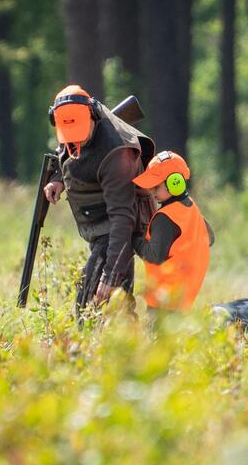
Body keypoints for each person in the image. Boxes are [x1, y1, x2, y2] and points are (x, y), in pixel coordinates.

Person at [43, 84, 155, 316]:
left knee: (90, 297)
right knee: (117, 306)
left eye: (81, 134)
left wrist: (110, 275)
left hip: (121, 223)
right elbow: (65, 151)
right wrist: (58, 178)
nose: (77, 143)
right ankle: (132, 348)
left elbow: (123, 219)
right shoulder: (75, 121)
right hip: (103, 220)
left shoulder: (117, 154)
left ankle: (86, 346)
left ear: (93, 116)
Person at [130, 151, 214, 319]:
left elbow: (154, 255)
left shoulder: (165, 218)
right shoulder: (191, 208)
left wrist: (134, 237)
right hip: (183, 299)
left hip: (163, 300)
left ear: (175, 183)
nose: (152, 191)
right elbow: (210, 238)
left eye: (156, 186)